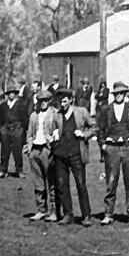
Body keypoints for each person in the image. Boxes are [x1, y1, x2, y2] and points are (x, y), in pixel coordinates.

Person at [97, 81, 129, 226]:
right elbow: (100, 130)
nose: (119, 96)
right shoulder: (106, 109)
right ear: (114, 95)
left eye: (121, 93)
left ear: (124, 94)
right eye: (116, 93)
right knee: (111, 181)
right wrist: (104, 145)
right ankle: (108, 213)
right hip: (112, 149)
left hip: (128, 148)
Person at [51, 88, 96, 225]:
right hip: (60, 155)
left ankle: (86, 215)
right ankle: (67, 214)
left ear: (71, 100)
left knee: (81, 185)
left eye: (64, 101)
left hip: (77, 154)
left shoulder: (81, 112)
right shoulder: (57, 115)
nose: (62, 104)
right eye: (60, 101)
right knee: (62, 185)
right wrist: (54, 137)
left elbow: (94, 127)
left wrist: (84, 134)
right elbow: (53, 131)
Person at [23, 92, 61, 220]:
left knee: (51, 181)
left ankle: (54, 211)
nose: (42, 103)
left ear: (49, 101)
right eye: (40, 100)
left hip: (47, 149)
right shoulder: (34, 115)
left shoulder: (55, 114)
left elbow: (59, 131)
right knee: (38, 182)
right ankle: (41, 209)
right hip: (35, 149)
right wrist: (29, 147)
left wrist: (53, 142)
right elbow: (29, 133)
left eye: (45, 100)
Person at [0, 86, 26, 178]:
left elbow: (25, 120)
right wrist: (1, 130)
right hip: (5, 129)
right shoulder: (3, 106)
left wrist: (21, 130)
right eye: (9, 93)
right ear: (7, 95)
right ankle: (3, 170)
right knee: (4, 151)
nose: (11, 94)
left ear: (15, 94)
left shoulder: (20, 105)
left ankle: (19, 171)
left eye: (13, 92)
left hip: (17, 129)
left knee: (17, 151)